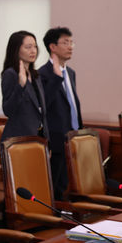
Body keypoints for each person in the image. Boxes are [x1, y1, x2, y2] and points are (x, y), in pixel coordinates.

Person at [38, 27, 83, 199]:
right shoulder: (43, 73)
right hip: (55, 139)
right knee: (54, 186)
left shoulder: (71, 73)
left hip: (71, 137)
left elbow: (72, 105)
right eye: (65, 42)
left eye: (72, 42)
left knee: (65, 184)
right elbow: (44, 104)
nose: (70, 46)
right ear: (52, 47)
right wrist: (56, 79)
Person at [0, 30, 49, 143]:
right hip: (19, 139)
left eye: (35, 47)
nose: (33, 51)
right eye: (28, 47)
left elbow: (42, 111)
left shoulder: (36, 75)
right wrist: (21, 85)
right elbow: (8, 109)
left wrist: (47, 141)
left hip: (39, 138)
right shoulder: (10, 74)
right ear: (16, 50)